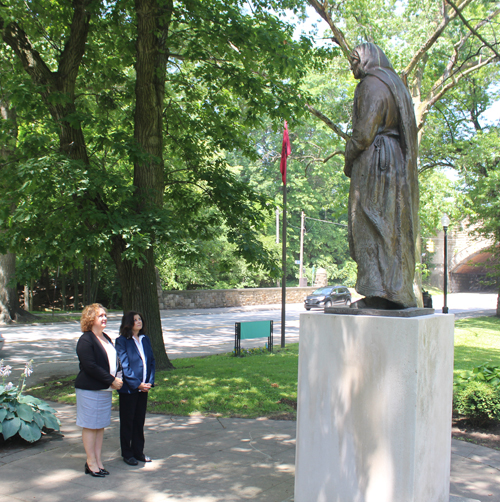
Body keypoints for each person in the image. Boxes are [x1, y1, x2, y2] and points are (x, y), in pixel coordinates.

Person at [344, 43, 419, 309]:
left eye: (354, 60)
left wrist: (348, 157)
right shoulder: (396, 84)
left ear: (366, 59)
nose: (352, 66)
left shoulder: (372, 84)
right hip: (394, 164)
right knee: (391, 226)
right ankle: (394, 291)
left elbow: (364, 133)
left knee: (369, 223)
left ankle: (379, 293)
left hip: (376, 164)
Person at [75, 303, 123, 477]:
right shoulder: (86, 340)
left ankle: (98, 460)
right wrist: (111, 380)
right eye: (100, 316)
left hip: (104, 390)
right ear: (90, 319)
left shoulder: (106, 338)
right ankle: (90, 462)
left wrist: (119, 378)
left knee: (100, 425)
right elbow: (90, 366)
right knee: (90, 425)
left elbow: (113, 362)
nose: (104, 318)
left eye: (105, 315)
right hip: (89, 390)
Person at [115, 311, 156, 466]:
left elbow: (151, 361)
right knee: (128, 422)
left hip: (143, 388)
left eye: (140, 319)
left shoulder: (145, 339)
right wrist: (137, 383)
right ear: (128, 323)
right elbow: (124, 366)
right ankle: (127, 453)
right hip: (129, 389)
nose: (139, 321)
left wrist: (149, 383)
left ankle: (139, 452)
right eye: (135, 320)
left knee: (139, 421)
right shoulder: (122, 341)